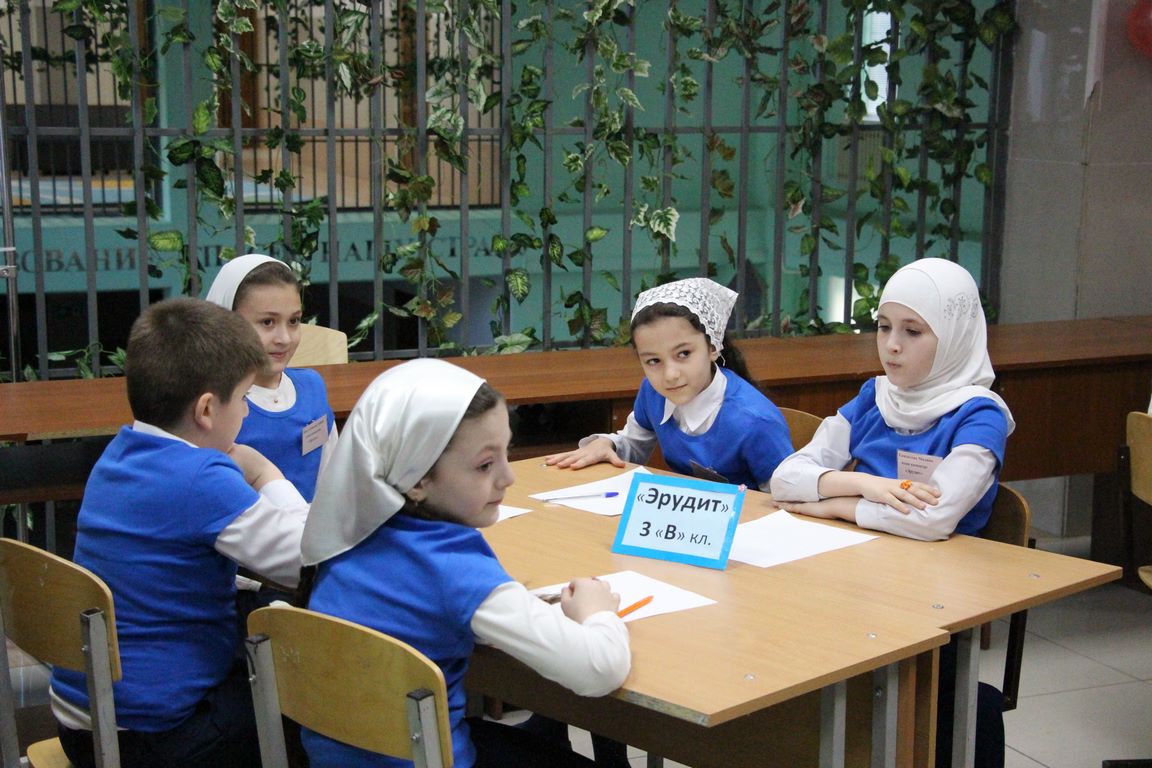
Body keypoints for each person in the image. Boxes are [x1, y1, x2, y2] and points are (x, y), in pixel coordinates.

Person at [300, 358, 631, 768]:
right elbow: (600, 669)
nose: (508, 478)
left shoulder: (346, 536)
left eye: (507, 453)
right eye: (485, 465)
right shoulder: (453, 566)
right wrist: (598, 613)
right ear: (418, 480)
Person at [770, 257, 1015, 768]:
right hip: (855, 579)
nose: (892, 345)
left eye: (913, 331)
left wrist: (836, 505)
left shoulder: (980, 414)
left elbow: (932, 519)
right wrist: (867, 484)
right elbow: (785, 479)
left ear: (954, 337)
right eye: (883, 327)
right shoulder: (875, 397)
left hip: (932, 603)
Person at [49, 298, 311, 768]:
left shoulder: (120, 453)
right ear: (207, 409)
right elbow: (308, 559)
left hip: (87, 723)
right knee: (311, 697)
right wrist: (264, 472)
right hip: (154, 739)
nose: (246, 414)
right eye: (244, 399)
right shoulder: (199, 477)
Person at [546, 277, 793, 490]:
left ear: (713, 347)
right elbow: (634, 444)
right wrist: (607, 444)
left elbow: (786, 498)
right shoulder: (652, 392)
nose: (670, 375)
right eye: (653, 361)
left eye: (683, 354)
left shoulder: (755, 421)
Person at [205, 253, 337, 502]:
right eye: (267, 322)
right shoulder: (213, 407)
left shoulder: (312, 387)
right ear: (226, 323)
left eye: (294, 321)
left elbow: (332, 481)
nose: (284, 338)